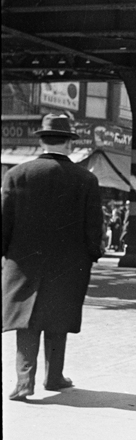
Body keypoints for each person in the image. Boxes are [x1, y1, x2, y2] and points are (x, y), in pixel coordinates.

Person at [2, 113, 105, 401]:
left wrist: (6, 253)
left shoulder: (15, 175)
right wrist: (92, 253)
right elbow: (93, 225)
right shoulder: (86, 179)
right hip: (69, 261)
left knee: (25, 319)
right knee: (59, 317)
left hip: (23, 259)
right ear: (69, 143)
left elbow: (4, 221)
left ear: (42, 140)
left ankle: (24, 382)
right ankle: (54, 376)